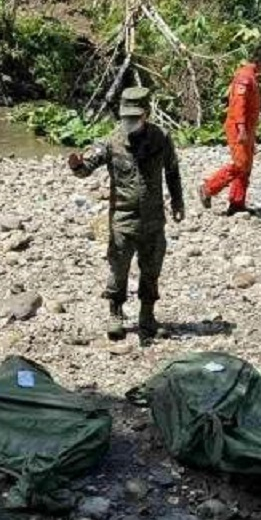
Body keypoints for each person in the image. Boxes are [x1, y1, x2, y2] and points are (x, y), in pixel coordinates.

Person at [69, 86, 184, 342]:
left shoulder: (161, 138)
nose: (130, 122)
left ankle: (147, 316)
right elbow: (87, 166)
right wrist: (77, 165)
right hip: (123, 219)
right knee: (118, 269)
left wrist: (178, 202)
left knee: (151, 268)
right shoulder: (112, 142)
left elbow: (172, 172)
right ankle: (115, 314)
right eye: (126, 118)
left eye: (135, 118)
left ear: (146, 114)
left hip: (153, 219)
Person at [200, 46, 261, 215]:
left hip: (247, 128)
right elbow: (238, 106)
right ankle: (209, 187)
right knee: (240, 163)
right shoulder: (245, 77)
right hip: (238, 127)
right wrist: (241, 129)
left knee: (247, 165)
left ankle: (237, 203)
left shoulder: (252, 77)